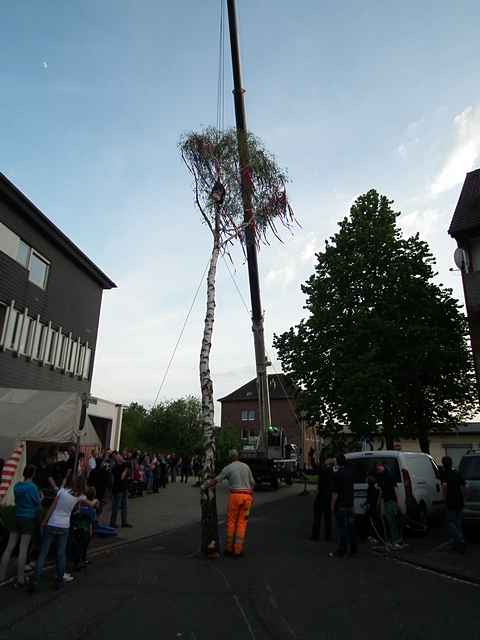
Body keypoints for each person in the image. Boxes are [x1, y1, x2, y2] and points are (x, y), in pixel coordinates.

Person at [30, 474, 98, 591]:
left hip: (52, 523)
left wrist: (44, 522)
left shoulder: (62, 491)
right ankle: (59, 580)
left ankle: (35, 580)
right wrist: (96, 500)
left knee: (43, 553)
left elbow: (52, 507)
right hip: (64, 526)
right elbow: (92, 504)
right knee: (61, 554)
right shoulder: (80, 496)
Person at [205, 449, 255, 557]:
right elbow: (252, 483)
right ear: (238, 457)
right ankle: (238, 550)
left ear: (230, 457)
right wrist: (251, 496)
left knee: (231, 522)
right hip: (247, 497)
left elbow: (217, 479)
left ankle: (228, 548)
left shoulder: (228, 468)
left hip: (235, 496)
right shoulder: (246, 467)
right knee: (242, 523)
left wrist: (206, 485)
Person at [0, 465, 41, 588]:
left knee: (9, 547)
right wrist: (41, 498)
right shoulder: (33, 487)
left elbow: (17, 501)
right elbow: (37, 504)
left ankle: (1, 575)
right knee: (23, 549)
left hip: (17, 516)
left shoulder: (17, 486)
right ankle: (20, 578)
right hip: (27, 519)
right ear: (33, 474)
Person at [330, 453, 357, 558]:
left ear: (338, 462)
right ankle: (353, 548)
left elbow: (335, 493)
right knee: (351, 527)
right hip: (350, 504)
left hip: (341, 505)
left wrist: (332, 506)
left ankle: (342, 550)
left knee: (341, 529)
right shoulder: (350, 472)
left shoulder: (338, 474)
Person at [375, 463, 404, 550]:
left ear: (383, 466)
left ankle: (394, 540)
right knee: (390, 521)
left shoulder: (388, 476)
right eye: (377, 468)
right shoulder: (383, 476)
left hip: (390, 500)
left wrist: (397, 502)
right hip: (387, 500)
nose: (378, 469)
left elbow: (394, 489)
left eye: (379, 467)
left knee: (391, 521)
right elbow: (382, 491)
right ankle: (393, 540)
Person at [441, 456, 466, 553]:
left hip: (450, 501)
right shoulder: (457, 473)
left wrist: (444, 499)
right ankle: (457, 543)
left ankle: (459, 539)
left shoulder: (444, 474)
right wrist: (464, 497)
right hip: (459, 501)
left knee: (450, 522)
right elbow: (465, 486)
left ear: (443, 464)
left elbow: (444, 487)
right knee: (458, 523)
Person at [311, 457, 334, 541]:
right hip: (328, 496)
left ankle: (315, 535)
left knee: (317, 516)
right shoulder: (332, 471)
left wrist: (311, 457)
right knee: (328, 518)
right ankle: (328, 536)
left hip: (321, 496)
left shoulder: (323, 470)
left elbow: (315, 467)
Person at [110, 455, 132, 529]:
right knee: (116, 507)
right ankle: (112, 523)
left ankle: (124, 522)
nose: (122, 459)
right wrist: (125, 470)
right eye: (121, 458)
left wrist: (126, 466)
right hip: (118, 490)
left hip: (124, 489)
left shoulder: (124, 465)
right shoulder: (115, 468)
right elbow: (121, 477)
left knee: (125, 506)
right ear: (118, 460)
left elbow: (129, 465)